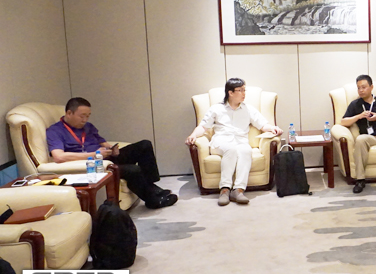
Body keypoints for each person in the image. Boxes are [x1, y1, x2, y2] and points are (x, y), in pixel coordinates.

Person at [47, 98, 177, 209]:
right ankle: (152, 200)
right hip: (92, 165)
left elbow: (103, 143)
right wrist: (93, 154)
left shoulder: (88, 127)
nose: (85, 119)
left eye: (88, 116)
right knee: (133, 170)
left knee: (144, 145)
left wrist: (111, 149)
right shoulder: (55, 131)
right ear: (69, 113)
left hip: (104, 158)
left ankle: (151, 186)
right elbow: (59, 157)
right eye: (82, 116)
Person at [186, 78, 282, 206]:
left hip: (241, 141)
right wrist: (193, 134)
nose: (244, 93)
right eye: (240, 90)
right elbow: (203, 126)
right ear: (230, 92)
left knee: (246, 151)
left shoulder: (248, 109)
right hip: (220, 141)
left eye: (244, 90)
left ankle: (238, 190)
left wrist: (273, 128)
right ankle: (225, 189)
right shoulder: (216, 109)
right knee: (230, 149)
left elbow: (262, 124)